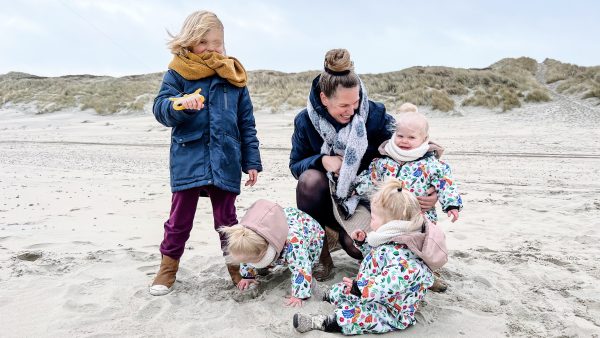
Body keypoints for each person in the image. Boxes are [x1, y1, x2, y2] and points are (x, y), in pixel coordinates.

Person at [289, 49, 437, 280]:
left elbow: (410, 145)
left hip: (368, 198)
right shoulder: (305, 121)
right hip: (330, 197)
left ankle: (410, 262)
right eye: (343, 106)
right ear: (324, 99)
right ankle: (321, 255)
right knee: (308, 180)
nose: (352, 110)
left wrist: (433, 188)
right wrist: (322, 160)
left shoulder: (373, 114)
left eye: (355, 102)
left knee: (356, 247)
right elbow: (295, 165)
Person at [149, 10, 262, 296]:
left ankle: (238, 269)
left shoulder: (233, 77)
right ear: (188, 43)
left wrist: (251, 161)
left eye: (218, 43)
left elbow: (246, 123)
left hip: (225, 159)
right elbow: (160, 108)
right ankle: (167, 270)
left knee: (227, 220)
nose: (212, 49)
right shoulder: (178, 72)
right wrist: (180, 104)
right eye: (204, 43)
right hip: (189, 158)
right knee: (179, 219)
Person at [293, 178, 440, 334]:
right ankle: (327, 295)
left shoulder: (406, 259)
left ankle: (323, 322)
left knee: (359, 316)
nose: (371, 220)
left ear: (390, 224)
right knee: (345, 289)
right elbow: (377, 259)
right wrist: (363, 244)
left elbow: (390, 284)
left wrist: (361, 288)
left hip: (390, 308)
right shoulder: (392, 241)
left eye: (374, 217)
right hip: (370, 292)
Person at [352, 105, 463, 224]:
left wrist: (452, 206)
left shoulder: (431, 164)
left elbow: (446, 183)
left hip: (419, 216)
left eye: (411, 137)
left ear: (424, 138)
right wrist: (356, 189)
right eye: (400, 136)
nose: (404, 141)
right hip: (388, 215)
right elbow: (370, 177)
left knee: (419, 240)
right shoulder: (384, 161)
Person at [222, 199, 324, 307]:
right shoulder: (247, 238)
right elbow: (245, 257)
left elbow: (301, 267)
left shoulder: (294, 242)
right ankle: (264, 265)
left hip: (310, 231)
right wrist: (248, 276)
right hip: (273, 226)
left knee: (304, 262)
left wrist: (298, 295)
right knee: (250, 254)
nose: (246, 262)